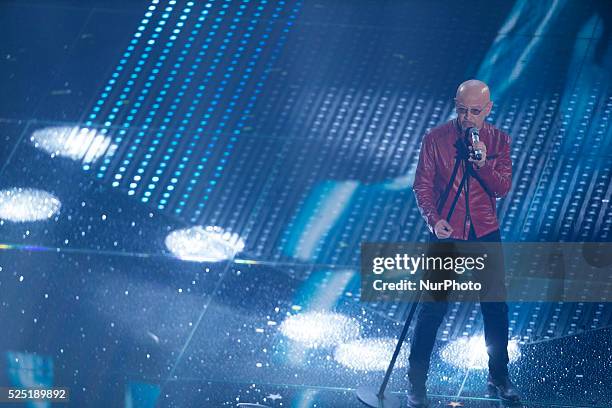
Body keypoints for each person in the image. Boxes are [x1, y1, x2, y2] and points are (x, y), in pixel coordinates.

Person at [409, 79, 520, 407]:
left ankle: (499, 375)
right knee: (433, 309)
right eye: (461, 110)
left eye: (474, 111)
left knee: (495, 307)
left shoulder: (499, 140)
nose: (467, 117)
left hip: (485, 231)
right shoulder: (436, 140)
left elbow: (502, 188)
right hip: (447, 233)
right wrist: (433, 219)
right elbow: (422, 185)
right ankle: (416, 380)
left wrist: (482, 164)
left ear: (488, 109)